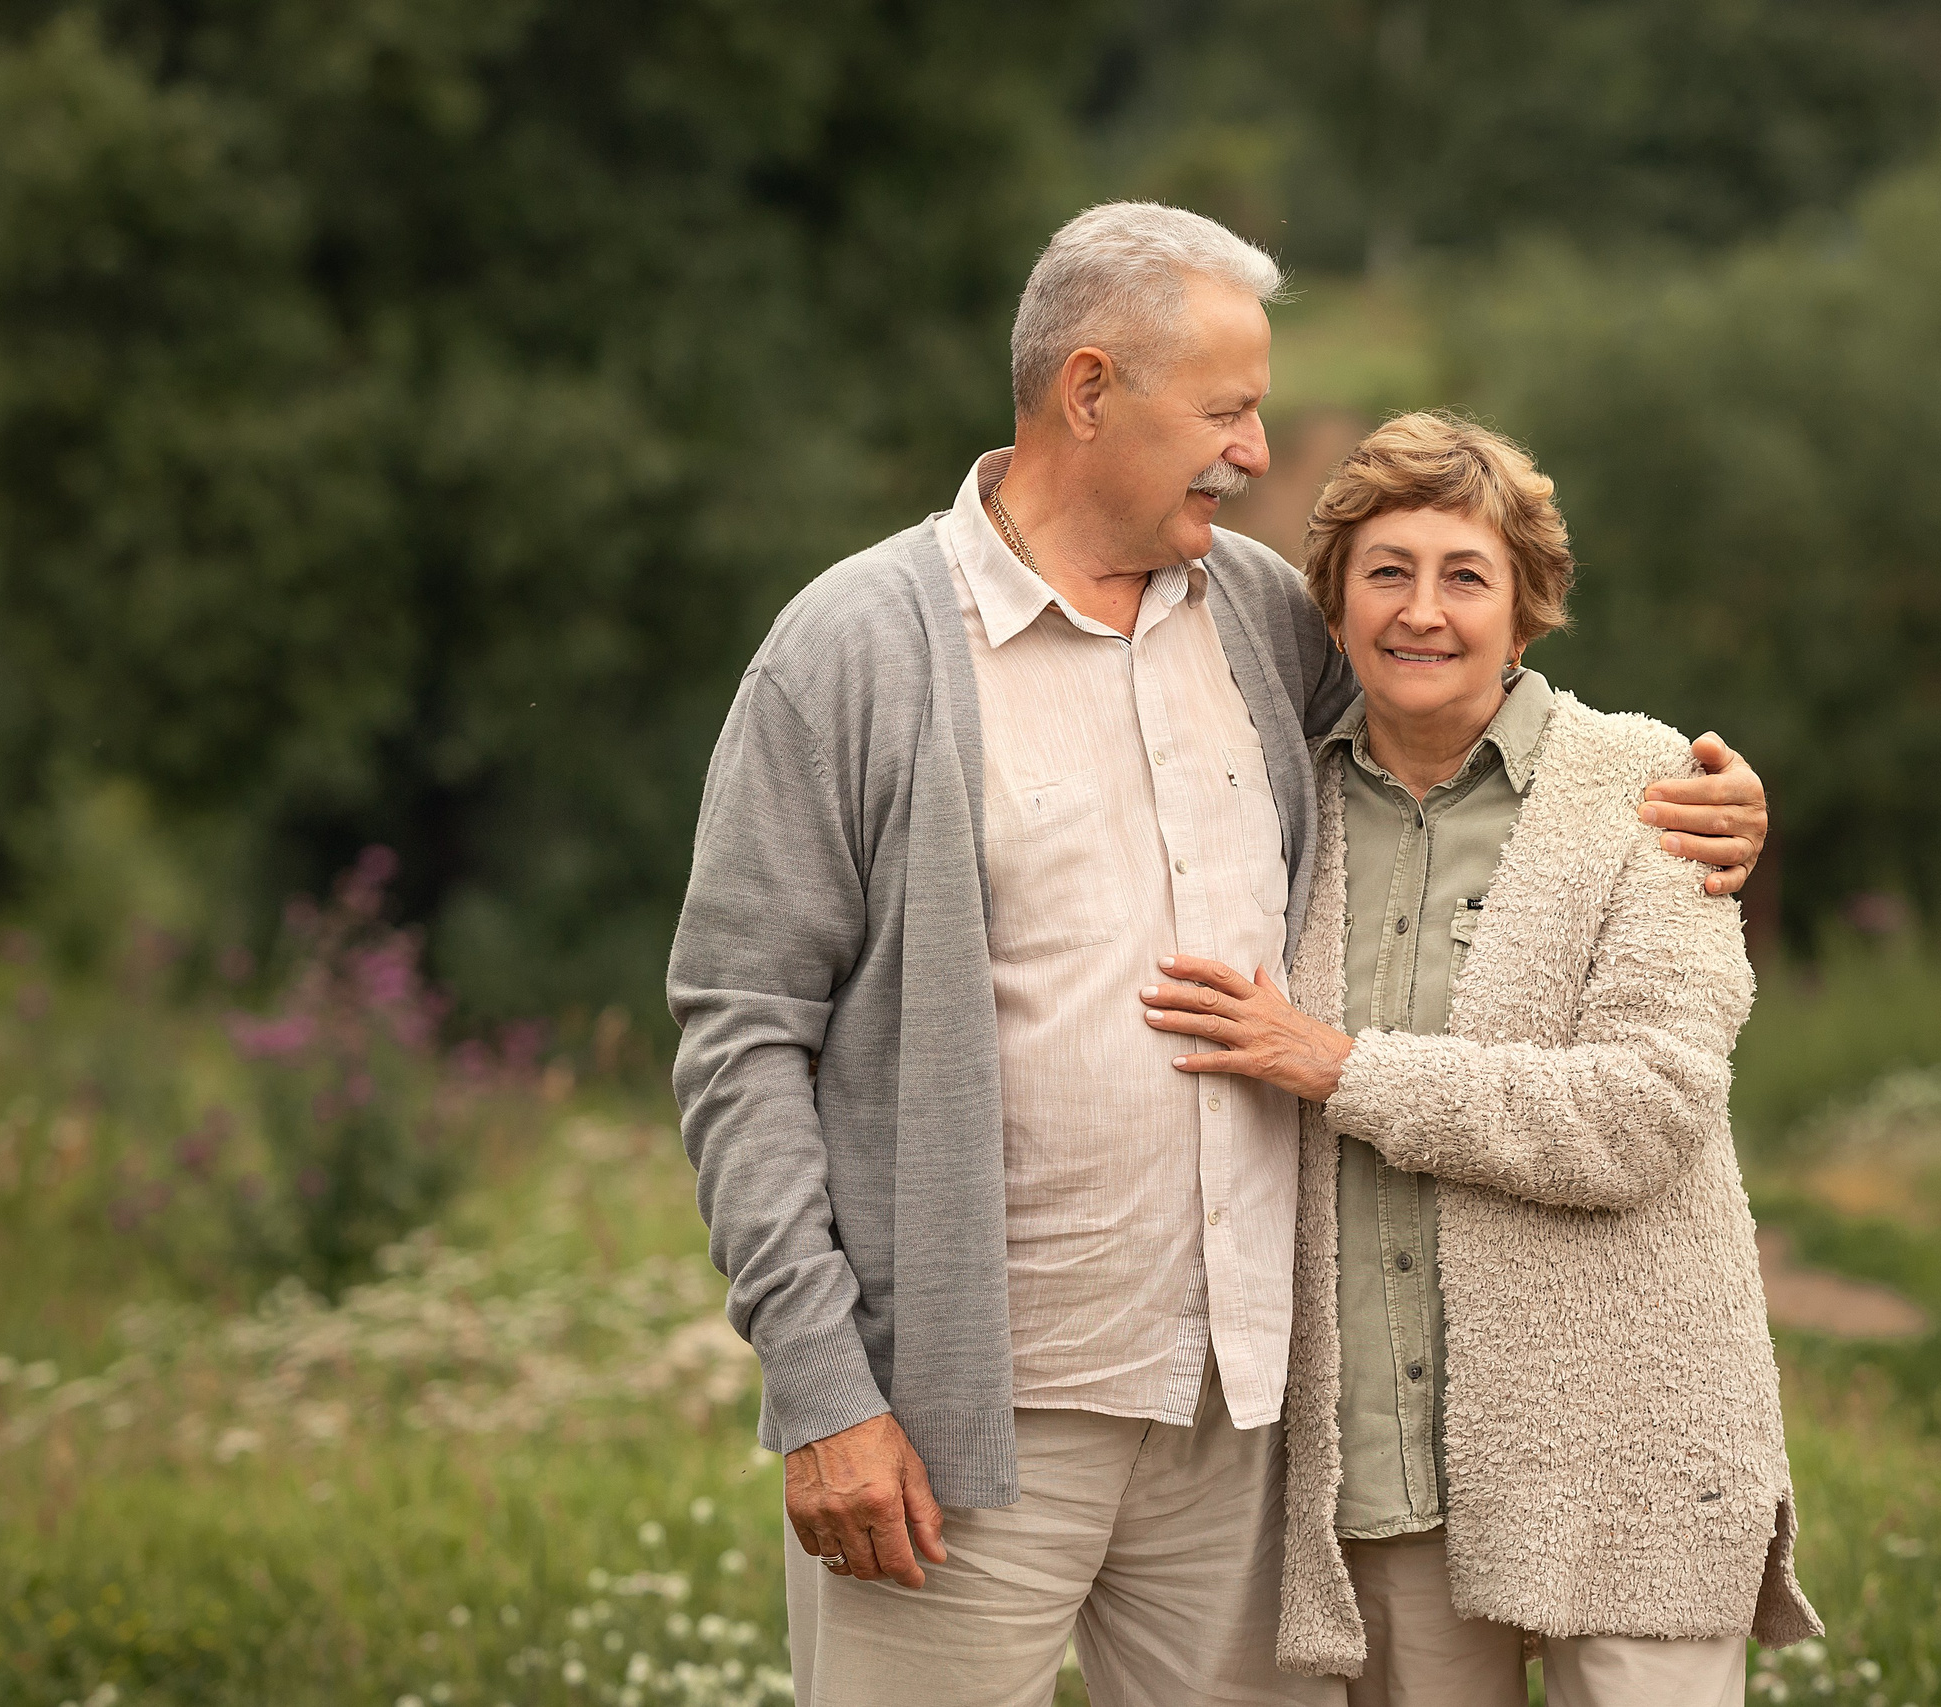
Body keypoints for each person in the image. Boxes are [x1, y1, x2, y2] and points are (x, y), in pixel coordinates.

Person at [665, 205, 1771, 1707]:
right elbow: (740, 1032)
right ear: (1092, 388)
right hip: (963, 1415)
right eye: (1229, 410)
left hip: (1248, 1424)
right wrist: (820, 1387)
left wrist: (1695, 792)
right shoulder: (852, 647)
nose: (1254, 453)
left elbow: (1457, 700)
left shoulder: (1254, 613)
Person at [1134, 413, 1820, 1707]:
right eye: (1386, 571)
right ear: (1333, 606)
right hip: (1383, 1464)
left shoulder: (1651, 787)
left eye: (1466, 576)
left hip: (1636, 1453)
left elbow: (1643, 1112)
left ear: (1526, 611)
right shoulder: (1277, 816)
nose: (1423, 612)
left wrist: (1340, 1066)